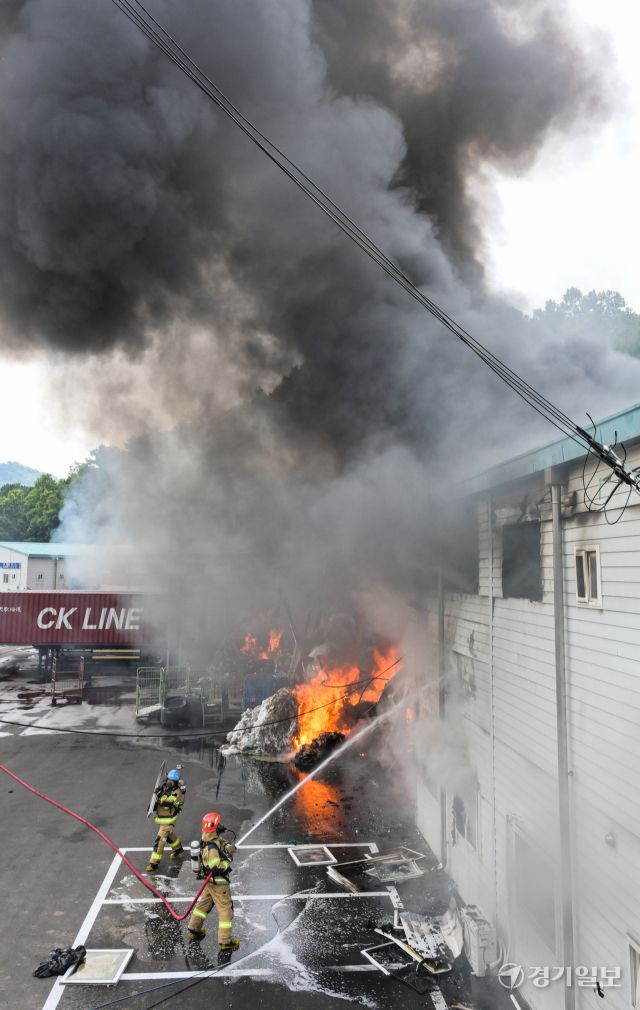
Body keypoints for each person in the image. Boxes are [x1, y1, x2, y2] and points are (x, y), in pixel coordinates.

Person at [187, 811, 239, 950]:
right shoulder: (210, 849)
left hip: (210, 883)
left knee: (203, 905)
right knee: (225, 910)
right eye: (218, 824)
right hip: (218, 883)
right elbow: (216, 868)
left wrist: (228, 847)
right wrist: (228, 860)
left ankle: (194, 928)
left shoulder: (208, 838)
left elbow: (220, 842)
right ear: (214, 827)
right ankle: (225, 941)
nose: (221, 826)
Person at [146, 769, 185, 873]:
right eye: (168, 779)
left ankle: (153, 863)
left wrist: (159, 795)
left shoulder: (177, 792)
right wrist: (152, 804)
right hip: (162, 819)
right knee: (169, 836)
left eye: (172, 781)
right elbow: (157, 801)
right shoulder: (164, 788)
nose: (169, 782)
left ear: (176, 782)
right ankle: (178, 849)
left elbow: (168, 805)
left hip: (168, 821)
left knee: (159, 842)